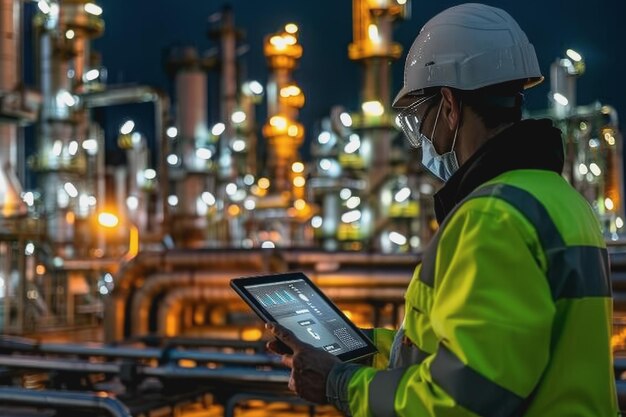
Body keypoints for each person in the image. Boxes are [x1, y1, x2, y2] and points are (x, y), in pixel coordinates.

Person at [267, 3, 618, 416]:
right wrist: (358, 351)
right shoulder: (560, 199)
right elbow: (471, 353)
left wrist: (339, 383)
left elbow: (460, 401)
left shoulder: (492, 215)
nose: (423, 140)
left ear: (450, 106)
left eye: (422, 118)